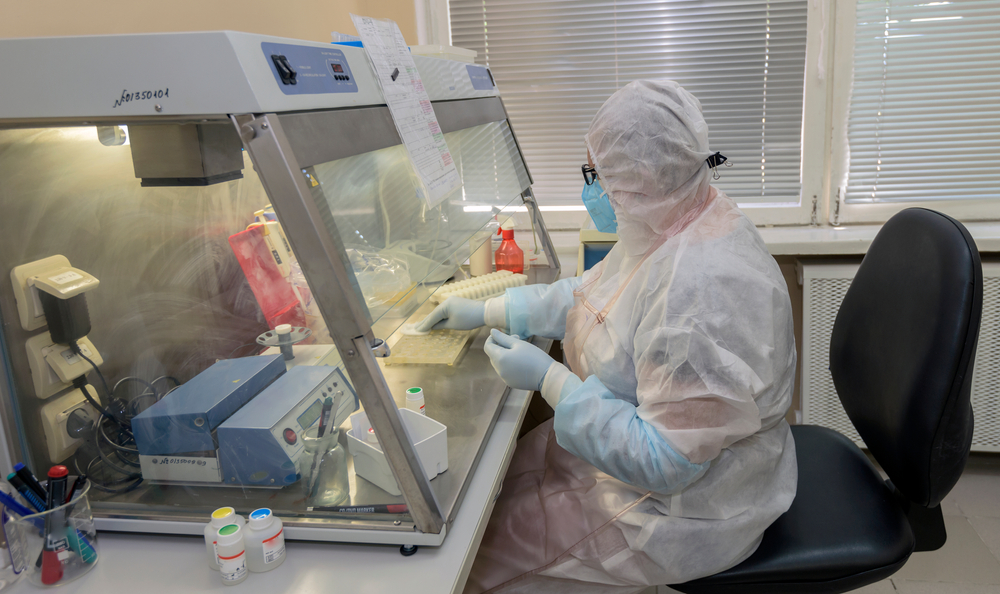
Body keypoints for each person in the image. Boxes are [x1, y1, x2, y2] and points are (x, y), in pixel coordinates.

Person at [417, 80, 797, 594]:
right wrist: (490, 308)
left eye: (593, 174)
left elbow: (665, 462)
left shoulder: (701, 291)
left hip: (682, 510)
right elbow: (596, 295)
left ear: (640, 179)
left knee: (471, 566)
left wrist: (550, 379)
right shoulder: (678, 217)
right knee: (487, 504)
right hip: (632, 455)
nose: (589, 188)